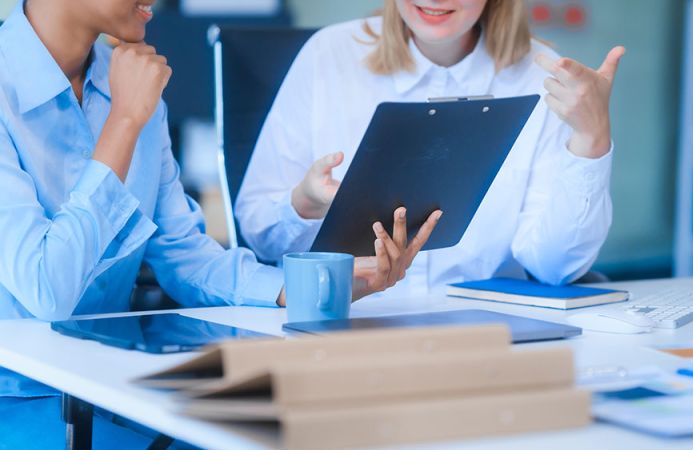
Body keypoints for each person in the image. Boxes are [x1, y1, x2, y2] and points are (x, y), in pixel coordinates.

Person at [0, 0, 439, 445]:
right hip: (19, 393)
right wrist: (125, 122)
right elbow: (48, 290)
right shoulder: (117, 98)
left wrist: (316, 286)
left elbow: (185, 256)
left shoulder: (127, 80)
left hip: (112, 386)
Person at [236, 0, 624, 298]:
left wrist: (591, 138)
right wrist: (304, 204)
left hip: (484, 330)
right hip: (345, 322)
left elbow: (556, 267)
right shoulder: (328, 55)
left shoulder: (543, 77)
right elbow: (259, 234)